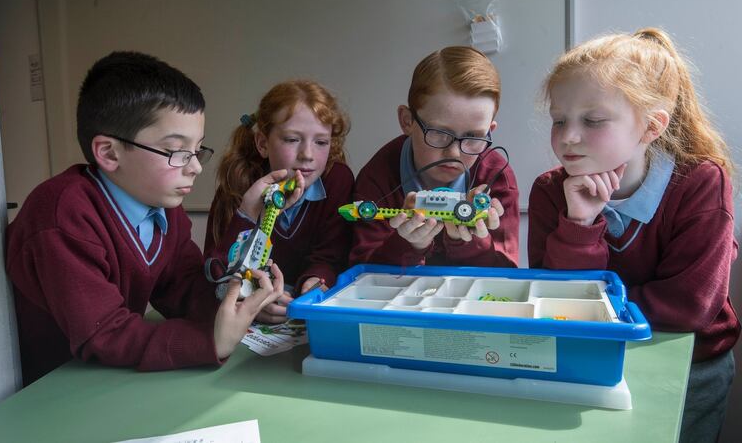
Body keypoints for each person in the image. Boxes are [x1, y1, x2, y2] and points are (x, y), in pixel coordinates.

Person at [6, 51, 285, 386]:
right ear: (109, 153)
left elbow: (184, 291)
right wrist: (210, 341)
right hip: (51, 391)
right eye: (176, 152)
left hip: (111, 378)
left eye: (197, 149)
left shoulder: (162, 206)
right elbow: (105, 333)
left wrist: (242, 300)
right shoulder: (62, 215)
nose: (195, 166)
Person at [527, 28, 739, 443]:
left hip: (691, 367)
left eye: (592, 120)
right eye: (559, 120)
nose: (568, 136)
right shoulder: (550, 191)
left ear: (651, 127)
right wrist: (580, 226)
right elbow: (558, 297)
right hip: (592, 361)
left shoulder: (700, 181)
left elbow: (688, 307)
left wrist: (593, 306)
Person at [349, 46, 519, 267]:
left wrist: (468, 242)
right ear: (407, 121)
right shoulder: (378, 175)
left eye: (473, 137)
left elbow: (505, 277)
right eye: (439, 133)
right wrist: (408, 244)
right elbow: (361, 274)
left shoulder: (497, 178)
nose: (454, 153)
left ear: (490, 131)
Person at [204, 80, 354, 323]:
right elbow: (216, 273)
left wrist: (315, 283)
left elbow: (329, 257)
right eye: (292, 139)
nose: (307, 154)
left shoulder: (338, 180)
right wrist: (248, 301)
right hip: (244, 324)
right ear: (263, 143)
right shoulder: (236, 186)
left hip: (304, 317)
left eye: (321, 142)